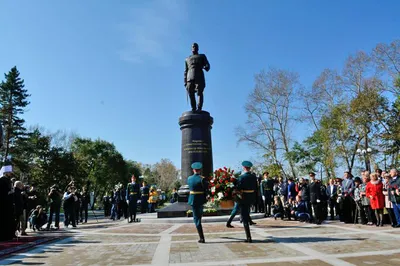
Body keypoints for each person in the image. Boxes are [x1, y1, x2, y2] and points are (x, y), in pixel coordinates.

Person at [184, 43, 210, 112]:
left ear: (198, 48)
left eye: (195, 47)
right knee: (190, 93)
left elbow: (207, 66)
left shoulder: (202, 56)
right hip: (189, 78)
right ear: (191, 48)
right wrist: (185, 82)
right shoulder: (187, 59)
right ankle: (193, 108)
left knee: (199, 92)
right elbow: (185, 71)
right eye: (192, 47)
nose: (194, 48)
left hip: (199, 76)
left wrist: (205, 67)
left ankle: (199, 108)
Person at [187, 162, 208, 243]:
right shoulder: (202, 178)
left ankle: (201, 238)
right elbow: (206, 189)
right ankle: (201, 237)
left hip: (193, 199)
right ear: (200, 170)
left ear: (193, 170)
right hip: (201, 199)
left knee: (196, 218)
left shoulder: (189, 178)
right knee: (199, 217)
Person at [237, 161, 258, 243]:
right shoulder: (254, 177)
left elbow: (238, 188)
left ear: (244, 167)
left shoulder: (241, 177)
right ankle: (248, 236)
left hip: (244, 198)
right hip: (251, 198)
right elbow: (256, 188)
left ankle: (248, 237)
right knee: (247, 214)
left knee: (244, 217)